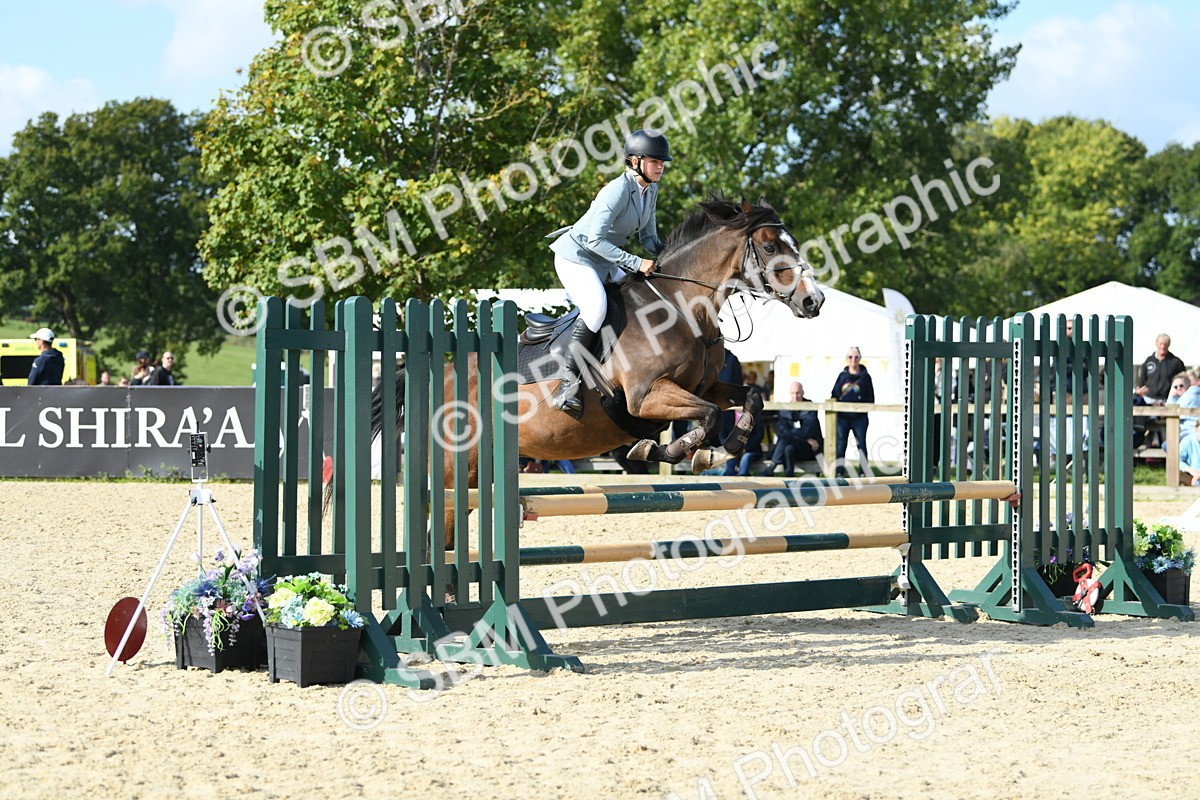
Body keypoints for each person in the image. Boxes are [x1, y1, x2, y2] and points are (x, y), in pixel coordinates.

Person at [545, 129, 668, 417]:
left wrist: (670, 256)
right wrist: (636, 263)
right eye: (654, 161)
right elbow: (593, 241)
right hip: (576, 257)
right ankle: (567, 383)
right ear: (635, 161)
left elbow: (648, 239)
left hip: (605, 259)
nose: (660, 166)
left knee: (637, 301)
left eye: (662, 162)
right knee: (597, 308)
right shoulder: (616, 190)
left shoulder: (651, 190)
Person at [758, 381, 822, 477]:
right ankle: (789, 475)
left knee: (785, 438)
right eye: (793, 393)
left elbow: (806, 431)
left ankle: (771, 468)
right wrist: (805, 438)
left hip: (810, 449)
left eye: (798, 393)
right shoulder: (785, 409)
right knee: (788, 448)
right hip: (795, 447)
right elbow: (781, 430)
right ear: (789, 394)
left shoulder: (810, 408)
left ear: (803, 393)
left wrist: (795, 435)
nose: (795, 396)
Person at [832, 346, 874, 477]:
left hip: (860, 418)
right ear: (847, 359)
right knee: (840, 444)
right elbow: (834, 394)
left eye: (856, 357)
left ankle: (863, 472)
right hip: (843, 417)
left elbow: (871, 398)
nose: (853, 360)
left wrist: (859, 406)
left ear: (860, 359)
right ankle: (839, 472)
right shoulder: (842, 376)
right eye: (850, 357)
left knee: (861, 444)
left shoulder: (866, 377)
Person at [1136, 334, 1186, 404]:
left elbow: (1183, 380)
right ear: (1156, 344)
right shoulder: (1149, 360)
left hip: (1167, 400)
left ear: (1169, 345)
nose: (1163, 347)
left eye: (1165, 344)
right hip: (1148, 400)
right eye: (1161, 344)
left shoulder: (1176, 362)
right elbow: (1142, 380)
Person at [1178, 422, 1200, 486]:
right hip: (1190, 475)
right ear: (1197, 429)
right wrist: (1191, 471)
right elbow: (1177, 461)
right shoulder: (1187, 441)